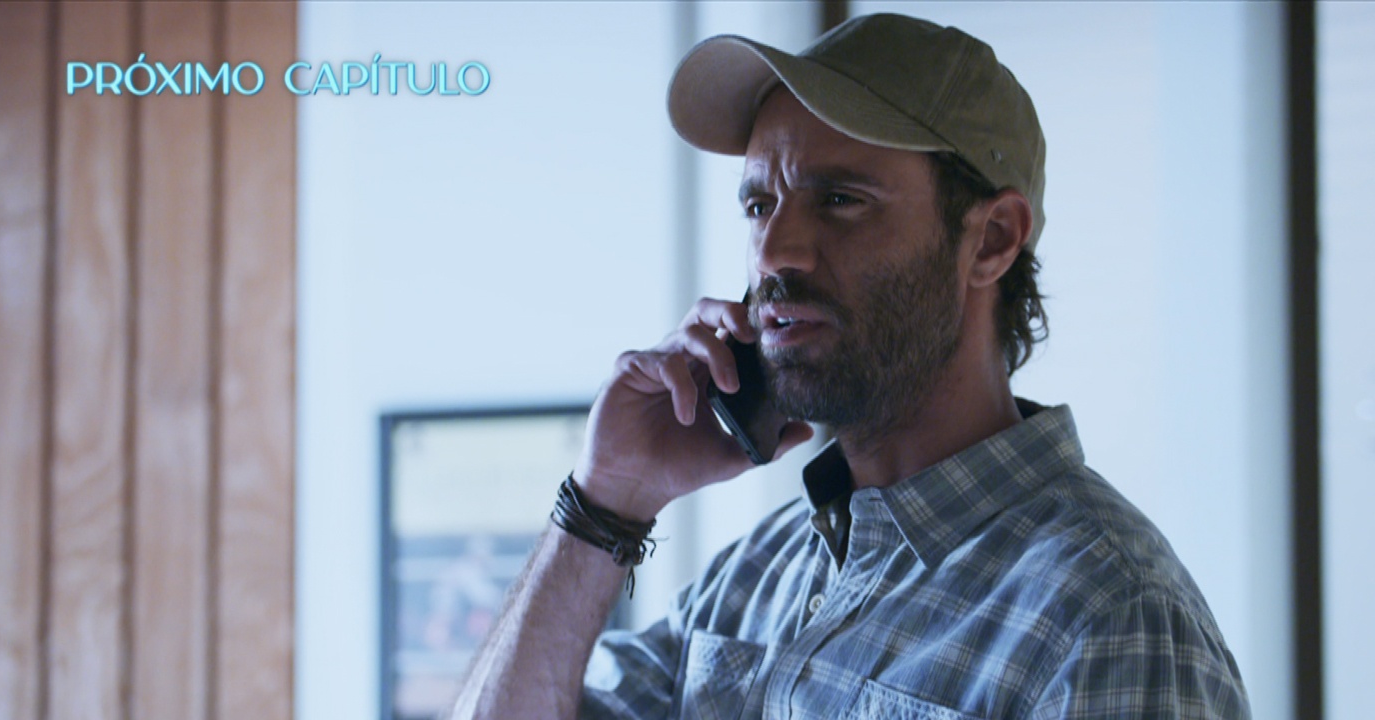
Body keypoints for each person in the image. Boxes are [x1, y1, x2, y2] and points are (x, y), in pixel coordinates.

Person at [453, 13, 1251, 720]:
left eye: (840, 200)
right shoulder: (753, 582)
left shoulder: (1109, 616)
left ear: (993, 239)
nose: (774, 253)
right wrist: (606, 501)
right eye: (759, 205)